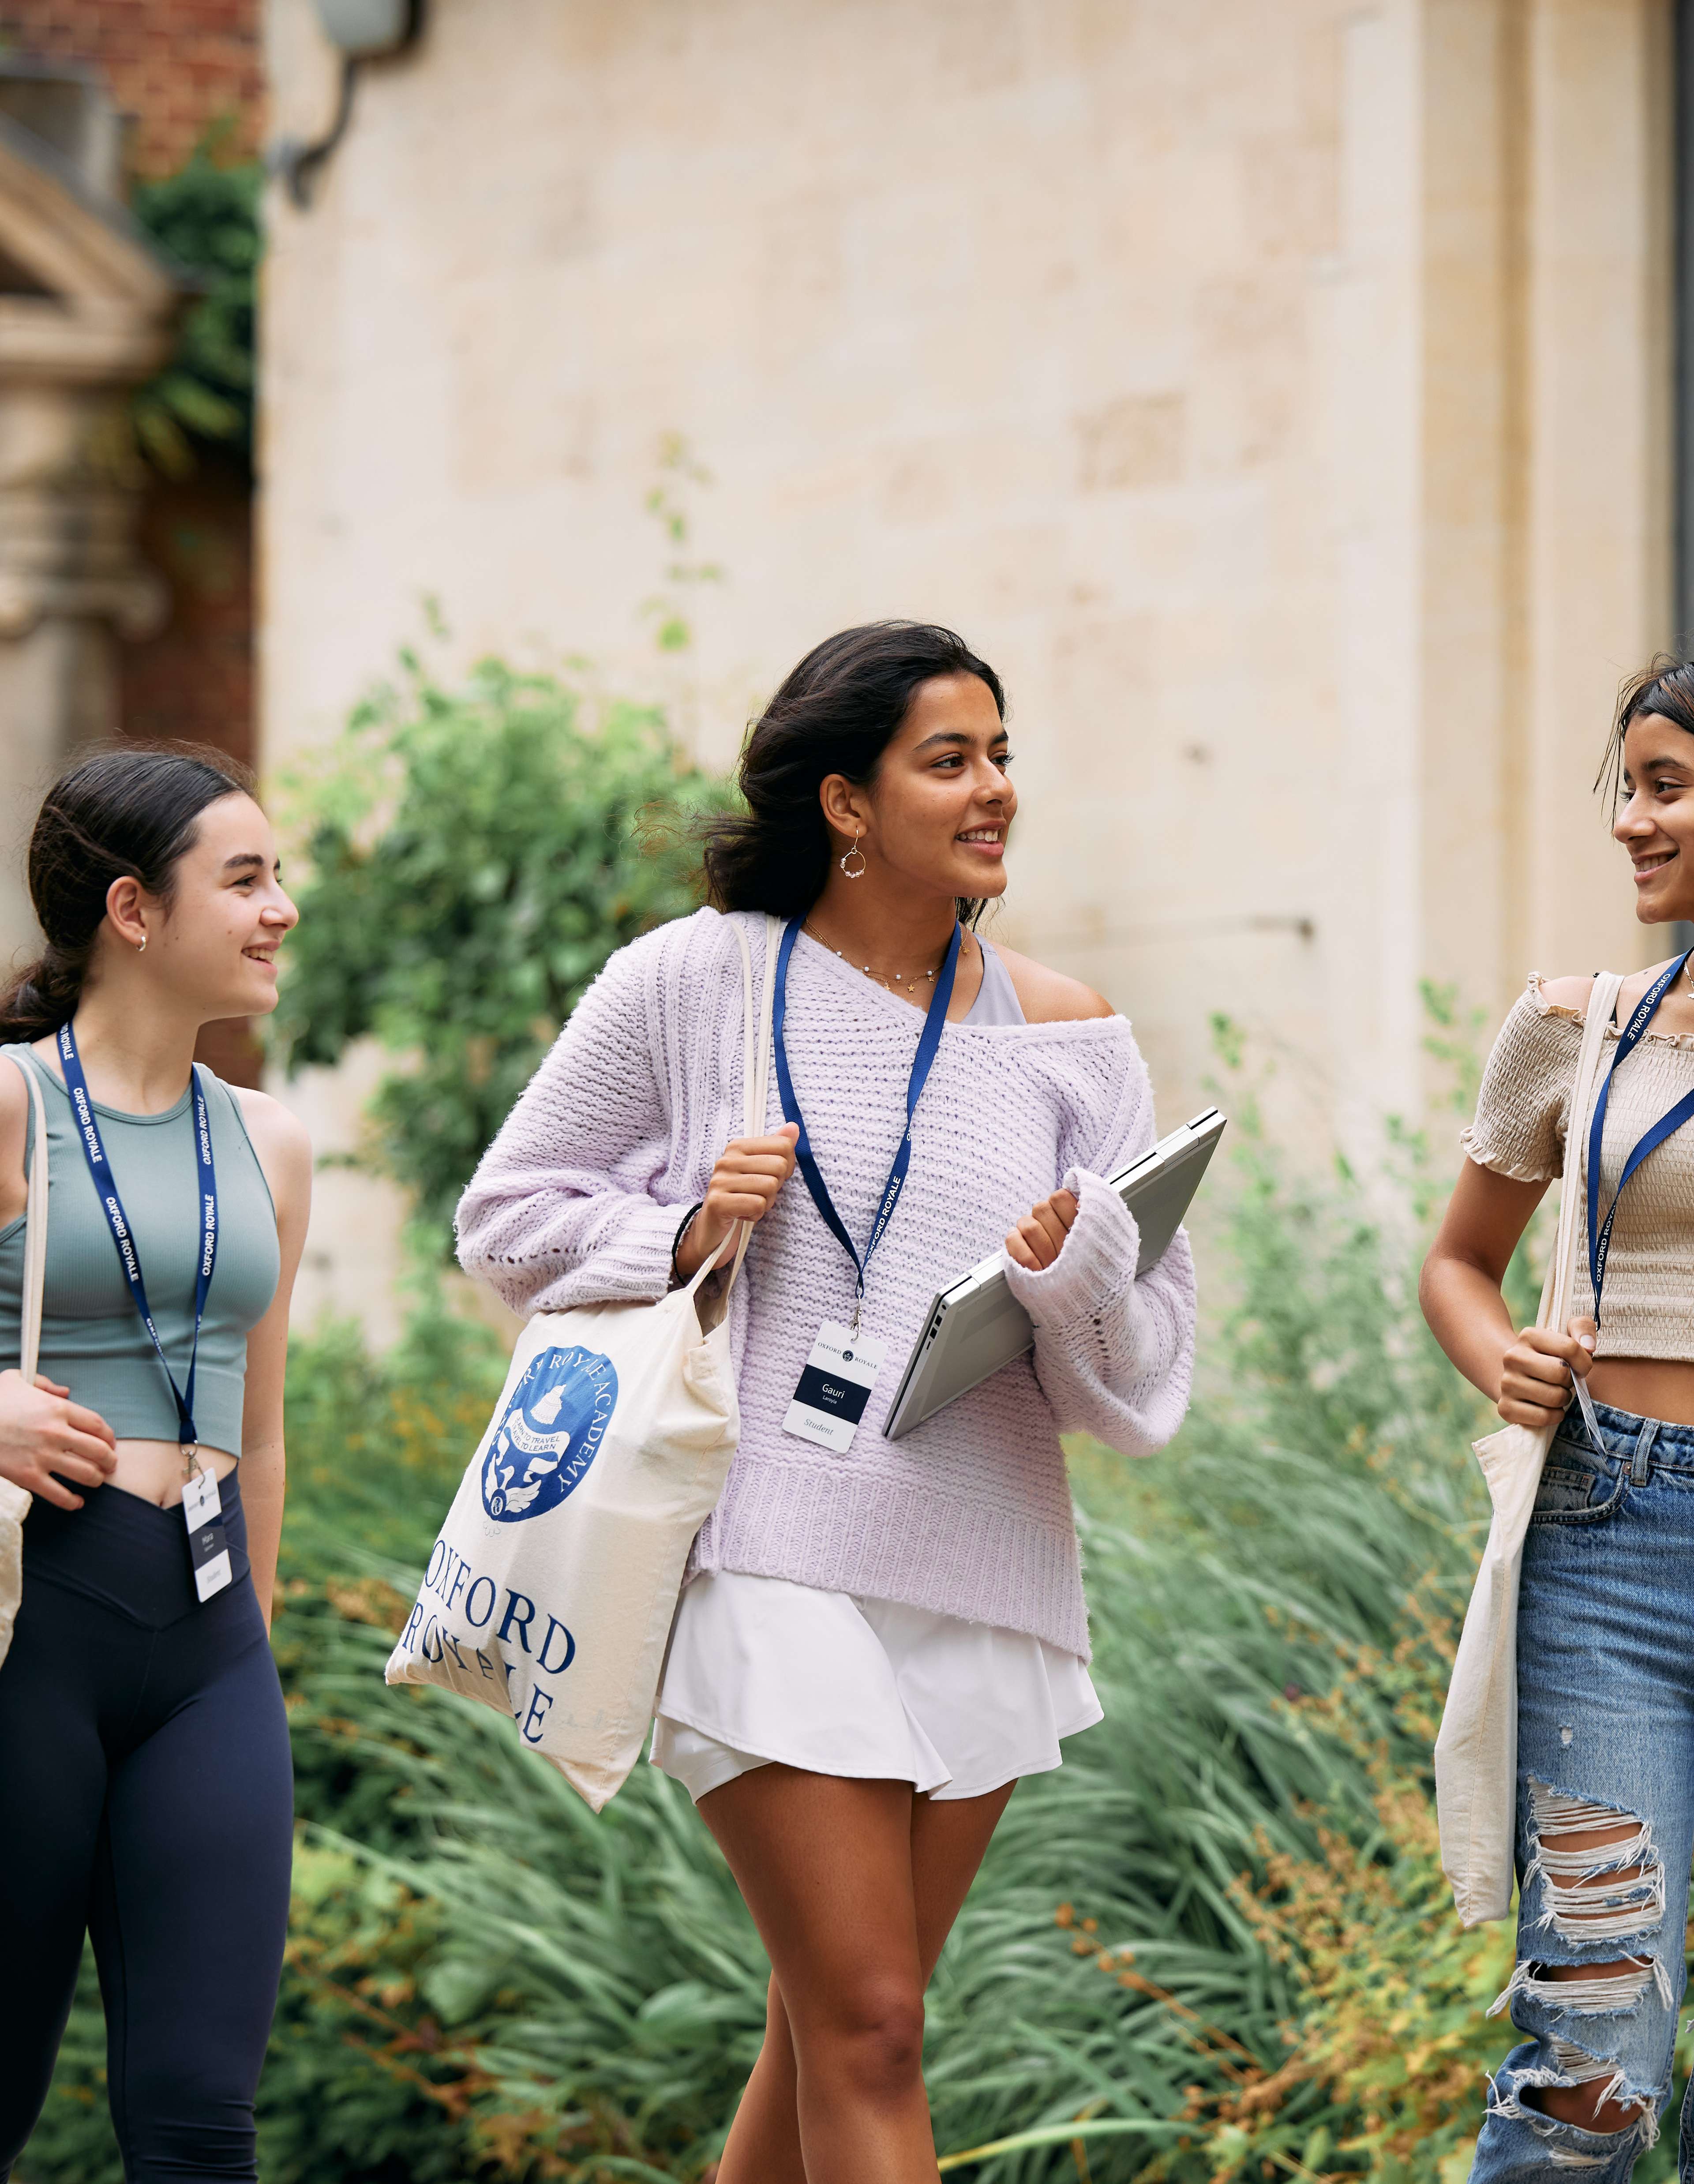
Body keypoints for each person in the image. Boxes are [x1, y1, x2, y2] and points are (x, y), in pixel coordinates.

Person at [457, 620, 1197, 2183]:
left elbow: (1138, 1381)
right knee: (870, 2024)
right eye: (950, 761)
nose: (994, 790)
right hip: (765, 1538)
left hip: (984, 1557)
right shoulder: (694, 980)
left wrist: (1070, 1275)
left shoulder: (1072, 1037)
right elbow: (505, 1222)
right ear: (847, 803)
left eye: (1002, 756)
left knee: (833, 2032)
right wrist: (682, 1230)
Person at [0, 747, 311, 2183]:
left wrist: (254, 1639)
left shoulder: (269, 1142)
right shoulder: (12, 1104)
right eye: (244, 880)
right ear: (133, 910)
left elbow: (265, 1425)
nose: (280, 909)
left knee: (200, 2116)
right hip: (28, 1627)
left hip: (207, 1648)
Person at [1420, 654, 1694, 2180]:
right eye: (1631, 789)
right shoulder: (1577, 1029)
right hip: (1614, 1543)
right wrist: (1505, 1359)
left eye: (1669, 787)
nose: (1632, 823)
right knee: (1596, 2052)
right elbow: (1458, 1265)